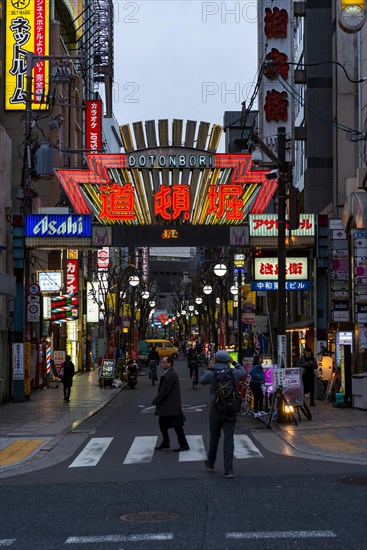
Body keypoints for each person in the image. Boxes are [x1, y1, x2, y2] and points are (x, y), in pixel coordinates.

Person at [199, 350, 246, 479]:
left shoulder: (212, 373)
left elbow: (201, 380)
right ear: (227, 360)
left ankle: (210, 463)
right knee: (229, 438)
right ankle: (228, 470)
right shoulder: (233, 372)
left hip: (216, 408)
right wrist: (234, 362)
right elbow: (244, 372)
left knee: (214, 437)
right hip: (231, 408)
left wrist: (209, 366)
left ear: (216, 359)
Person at [152, 356, 190, 452]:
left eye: (164, 362)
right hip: (170, 405)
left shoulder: (170, 375)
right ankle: (166, 442)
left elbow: (164, 391)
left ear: (170, 364)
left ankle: (183, 444)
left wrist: (156, 400)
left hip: (170, 405)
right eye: (162, 362)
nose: (162, 364)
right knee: (163, 423)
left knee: (177, 425)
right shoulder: (169, 373)